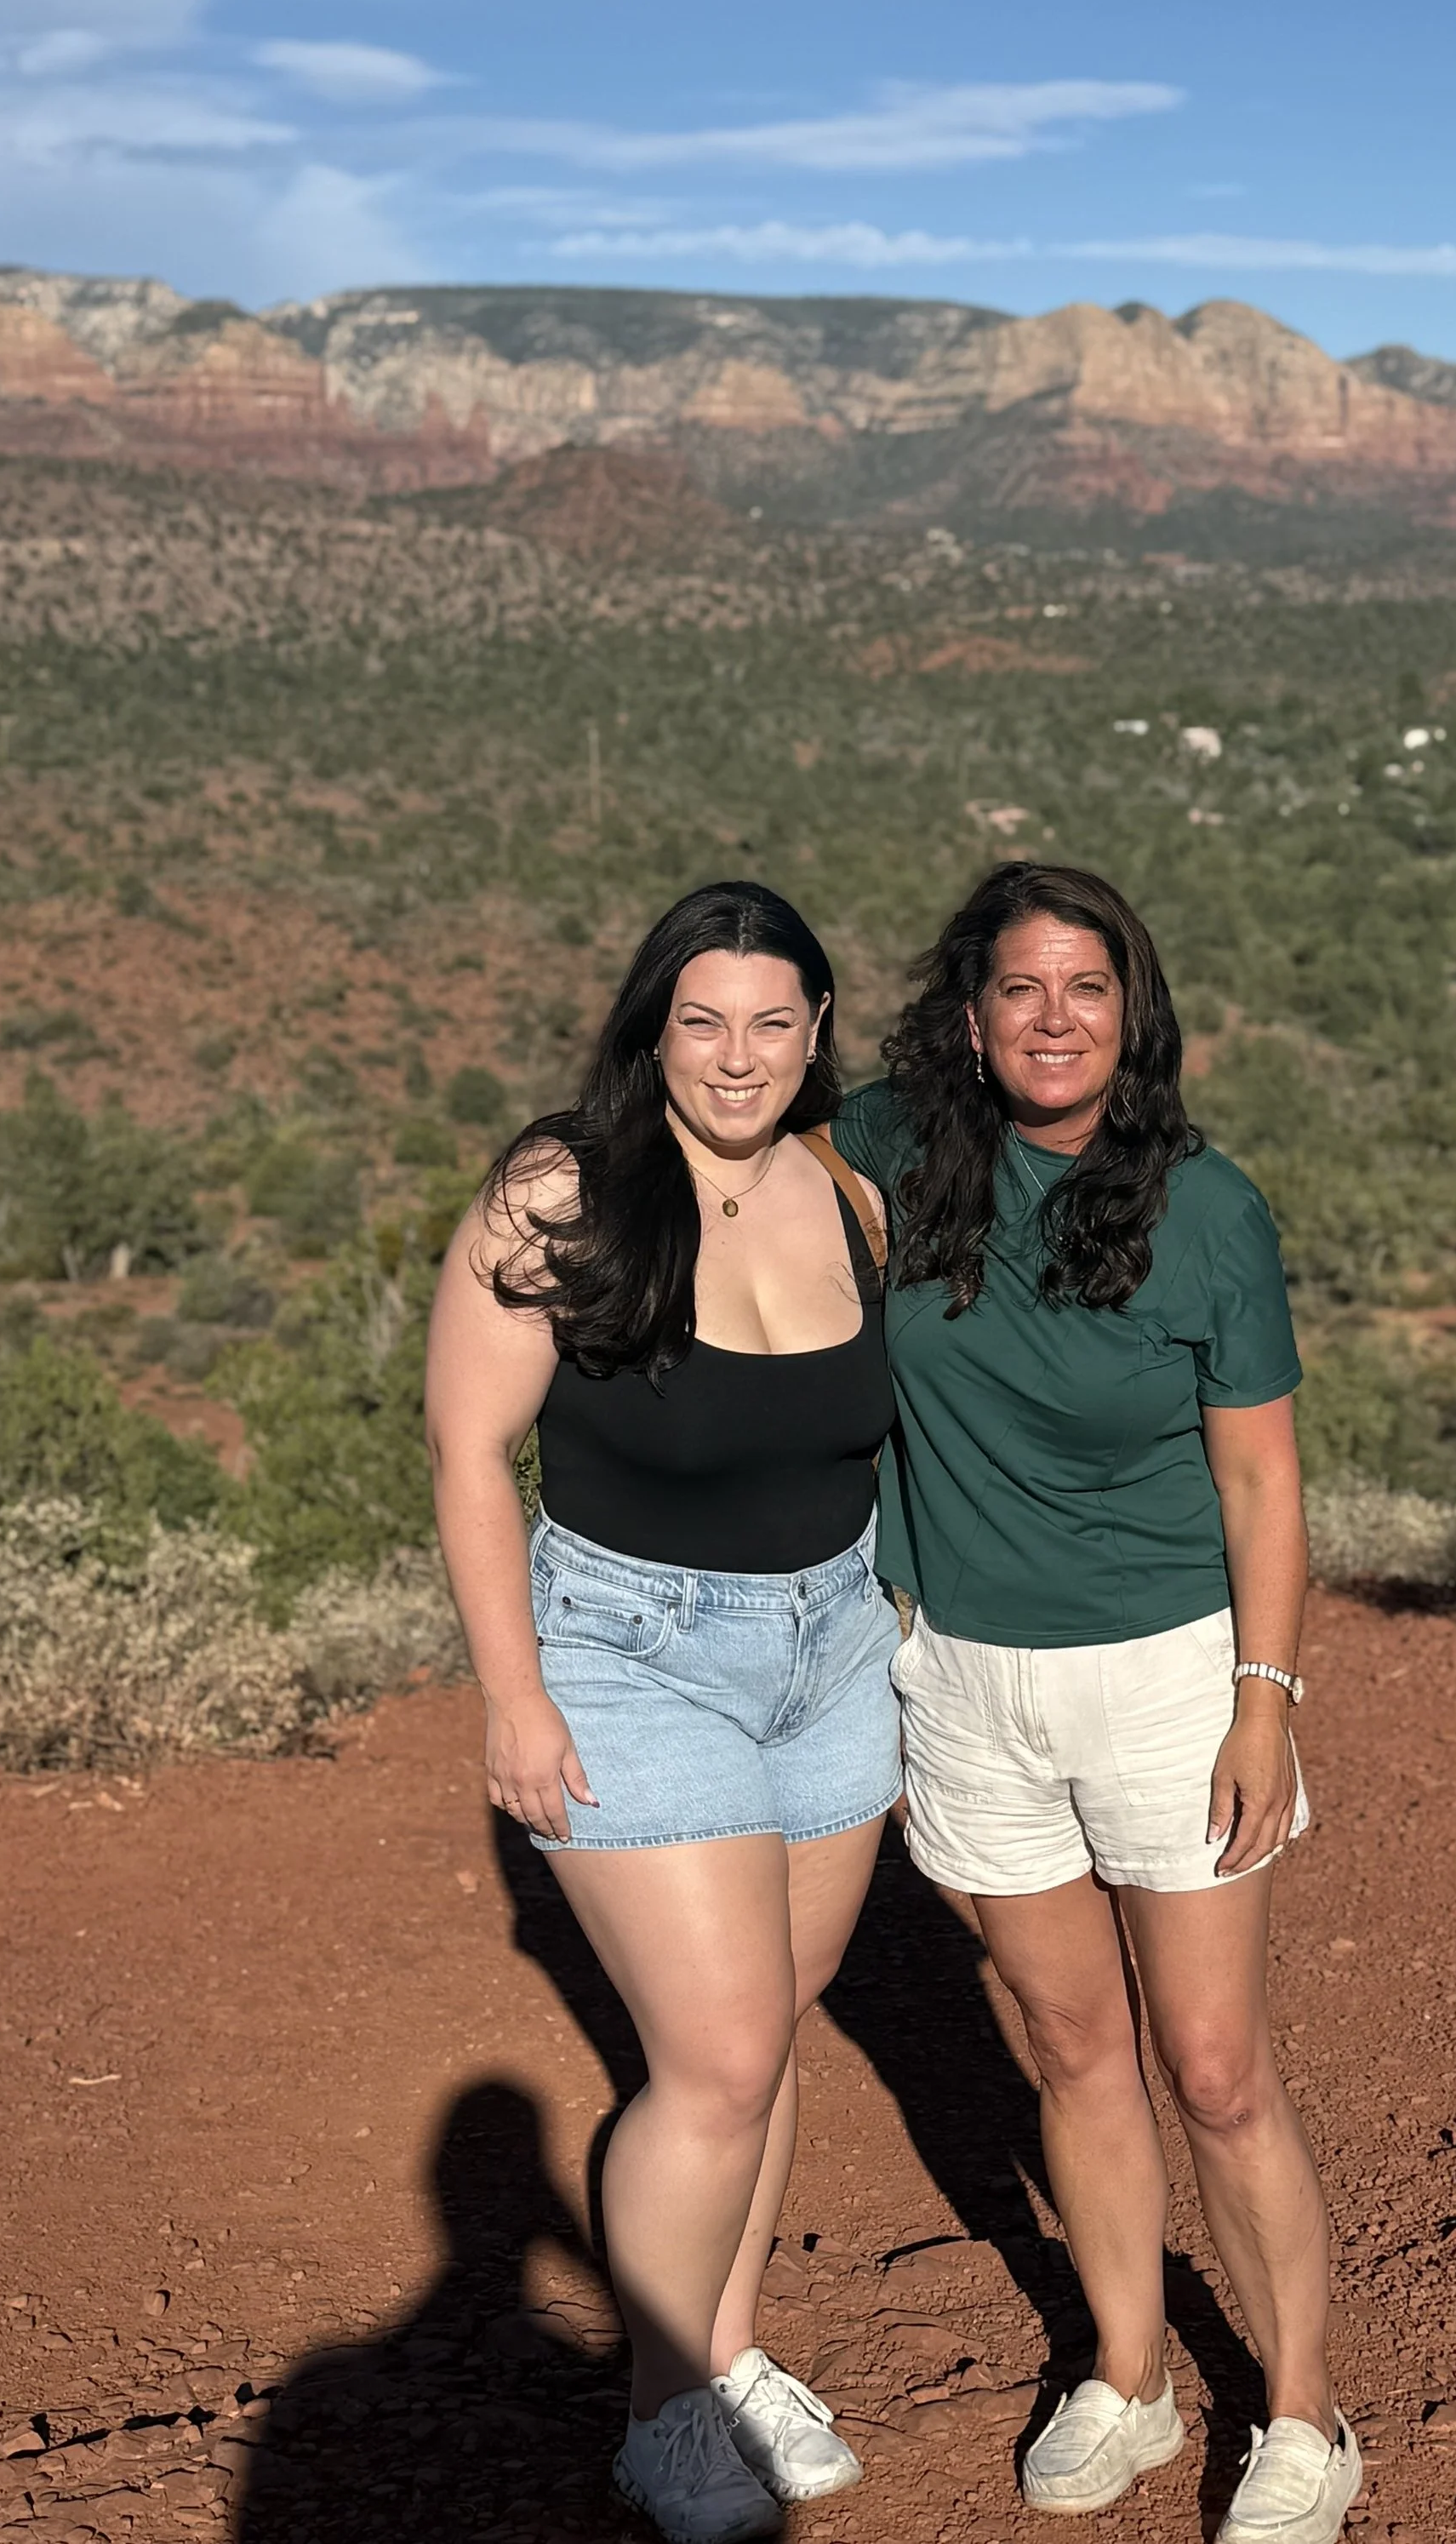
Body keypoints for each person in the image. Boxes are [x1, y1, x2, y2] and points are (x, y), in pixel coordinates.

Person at [831, 861, 1359, 2544]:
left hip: (1166, 1680)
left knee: (1211, 2066)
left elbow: (1264, 1482)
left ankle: (1298, 2416)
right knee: (1068, 2045)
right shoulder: (899, 1154)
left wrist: (1261, 1704)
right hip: (966, 1680)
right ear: (968, 1020)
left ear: (1130, 1013)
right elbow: (721, 1110)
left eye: (1085, 988)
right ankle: (1129, 2379)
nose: (1051, 1018)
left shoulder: (1205, 1209)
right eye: (1017, 990)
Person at [424, 882, 900, 2544]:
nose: (737, 1053)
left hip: (833, 1649)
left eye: (774, 1020)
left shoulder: (846, 1193)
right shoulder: (559, 1193)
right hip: (628, 1650)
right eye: (702, 1018)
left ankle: (726, 2341)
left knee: (770, 2032)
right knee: (712, 2061)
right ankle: (664, 2412)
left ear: (818, 1032)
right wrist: (512, 1692)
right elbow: (471, 1450)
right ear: (651, 1024)